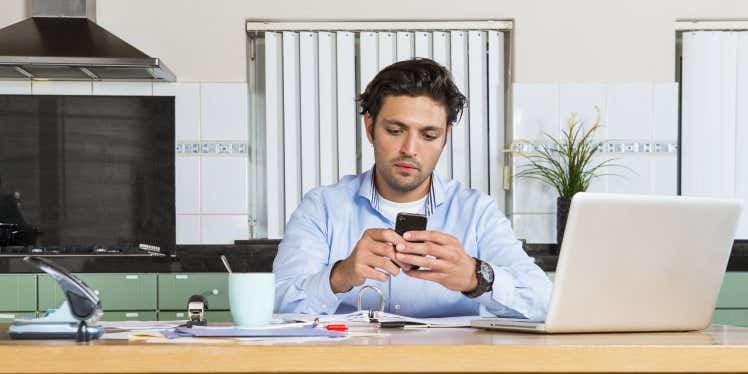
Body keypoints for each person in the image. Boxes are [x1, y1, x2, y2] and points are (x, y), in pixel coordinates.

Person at [273, 58, 551, 319]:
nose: (409, 149)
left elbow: (544, 301)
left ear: (445, 137)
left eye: (429, 135)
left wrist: (476, 277)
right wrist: (340, 276)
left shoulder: (477, 212)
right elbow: (277, 304)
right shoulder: (322, 207)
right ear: (369, 128)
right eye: (395, 131)